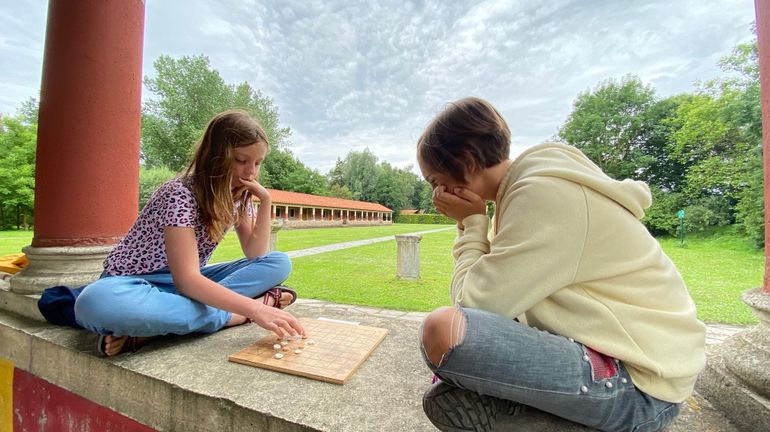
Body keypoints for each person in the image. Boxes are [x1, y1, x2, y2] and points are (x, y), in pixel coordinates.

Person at [416, 97, 705, 432]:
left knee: (443, 334)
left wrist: (473, 223)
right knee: (448, 402)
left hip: (643, 385)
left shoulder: (541, 195)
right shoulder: (532, 185)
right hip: (637, 365)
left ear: (466, 162)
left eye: (435, 180)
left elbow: (472, 305)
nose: (436, 193)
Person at [74, 110, 305, 356]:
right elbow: (187, 281)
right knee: (94, 302)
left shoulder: (238, 197)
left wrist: (266, 201)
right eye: (241, 160)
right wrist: (255, 310)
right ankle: (230, 316)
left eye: (257, 163)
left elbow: (255, 254)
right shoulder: (180, 193)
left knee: (278, 262)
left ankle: (159, 325)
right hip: (135, 282)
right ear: (217, 156)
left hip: (186, 283)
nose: (251, 172)